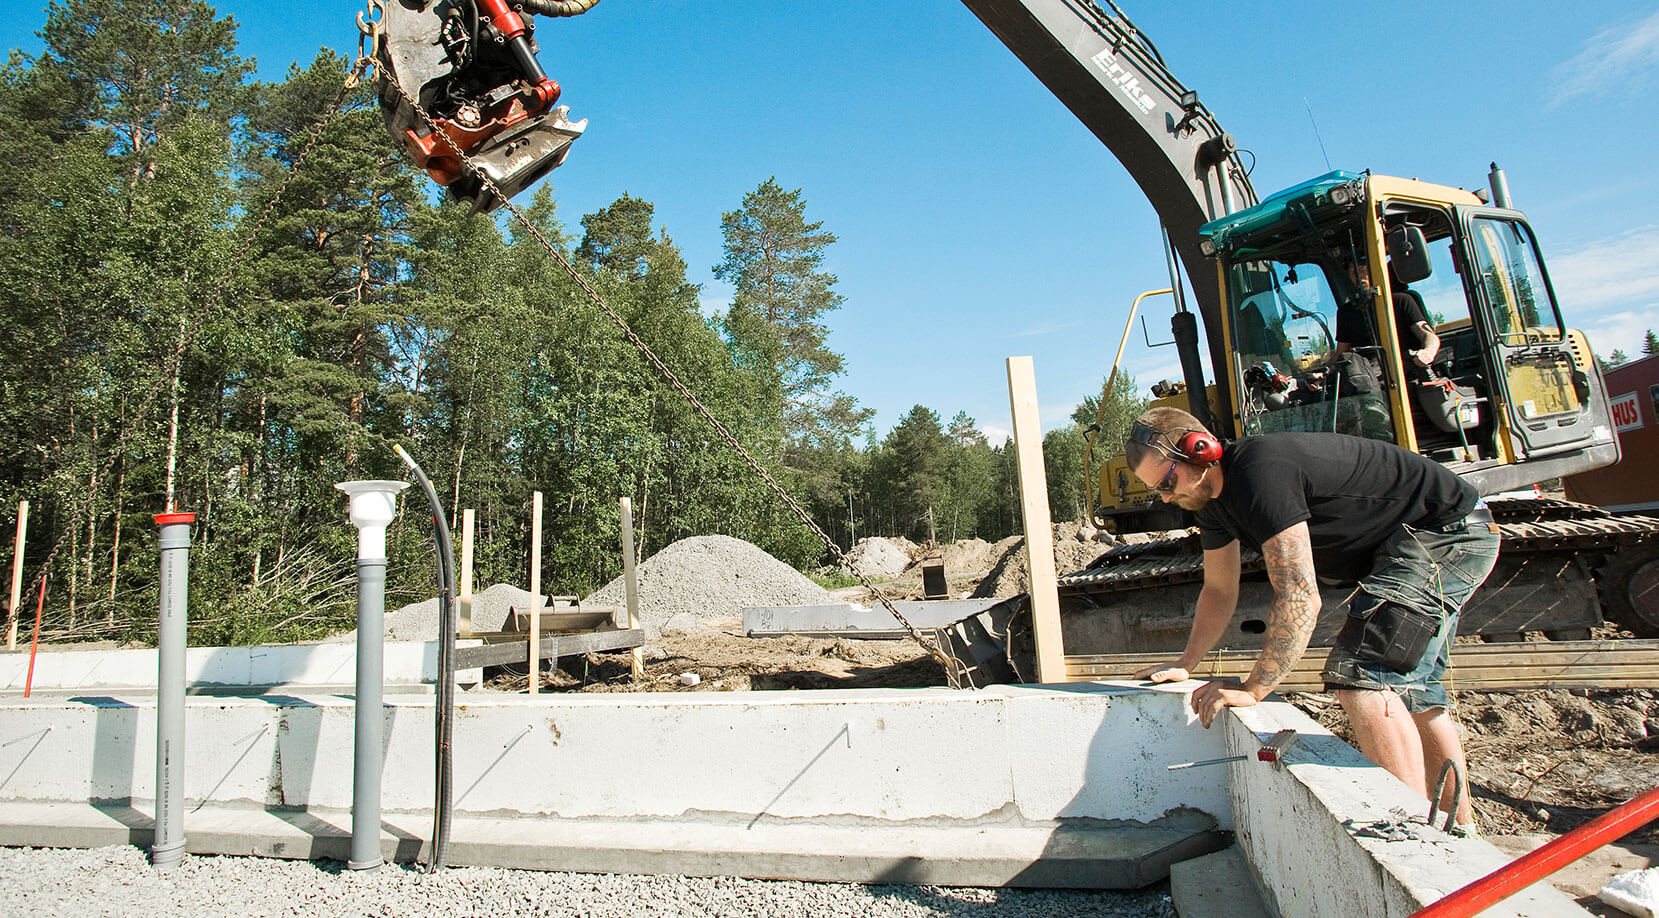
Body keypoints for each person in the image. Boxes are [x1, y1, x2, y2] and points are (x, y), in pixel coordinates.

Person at [1126, 405, 1500, 831]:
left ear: (1201, 450)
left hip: (1445, 534)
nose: (1167, 497)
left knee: (1362, 677)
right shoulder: (1212, 505)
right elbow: (1219, 589)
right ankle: (1460, 832)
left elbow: (1300, 596)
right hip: (1430, 538)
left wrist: (1254, 689)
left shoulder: (1259, 473)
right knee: (1415, 695)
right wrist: (1185, 662)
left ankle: (1413, 838)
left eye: (1168, 482)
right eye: (1157, 491)